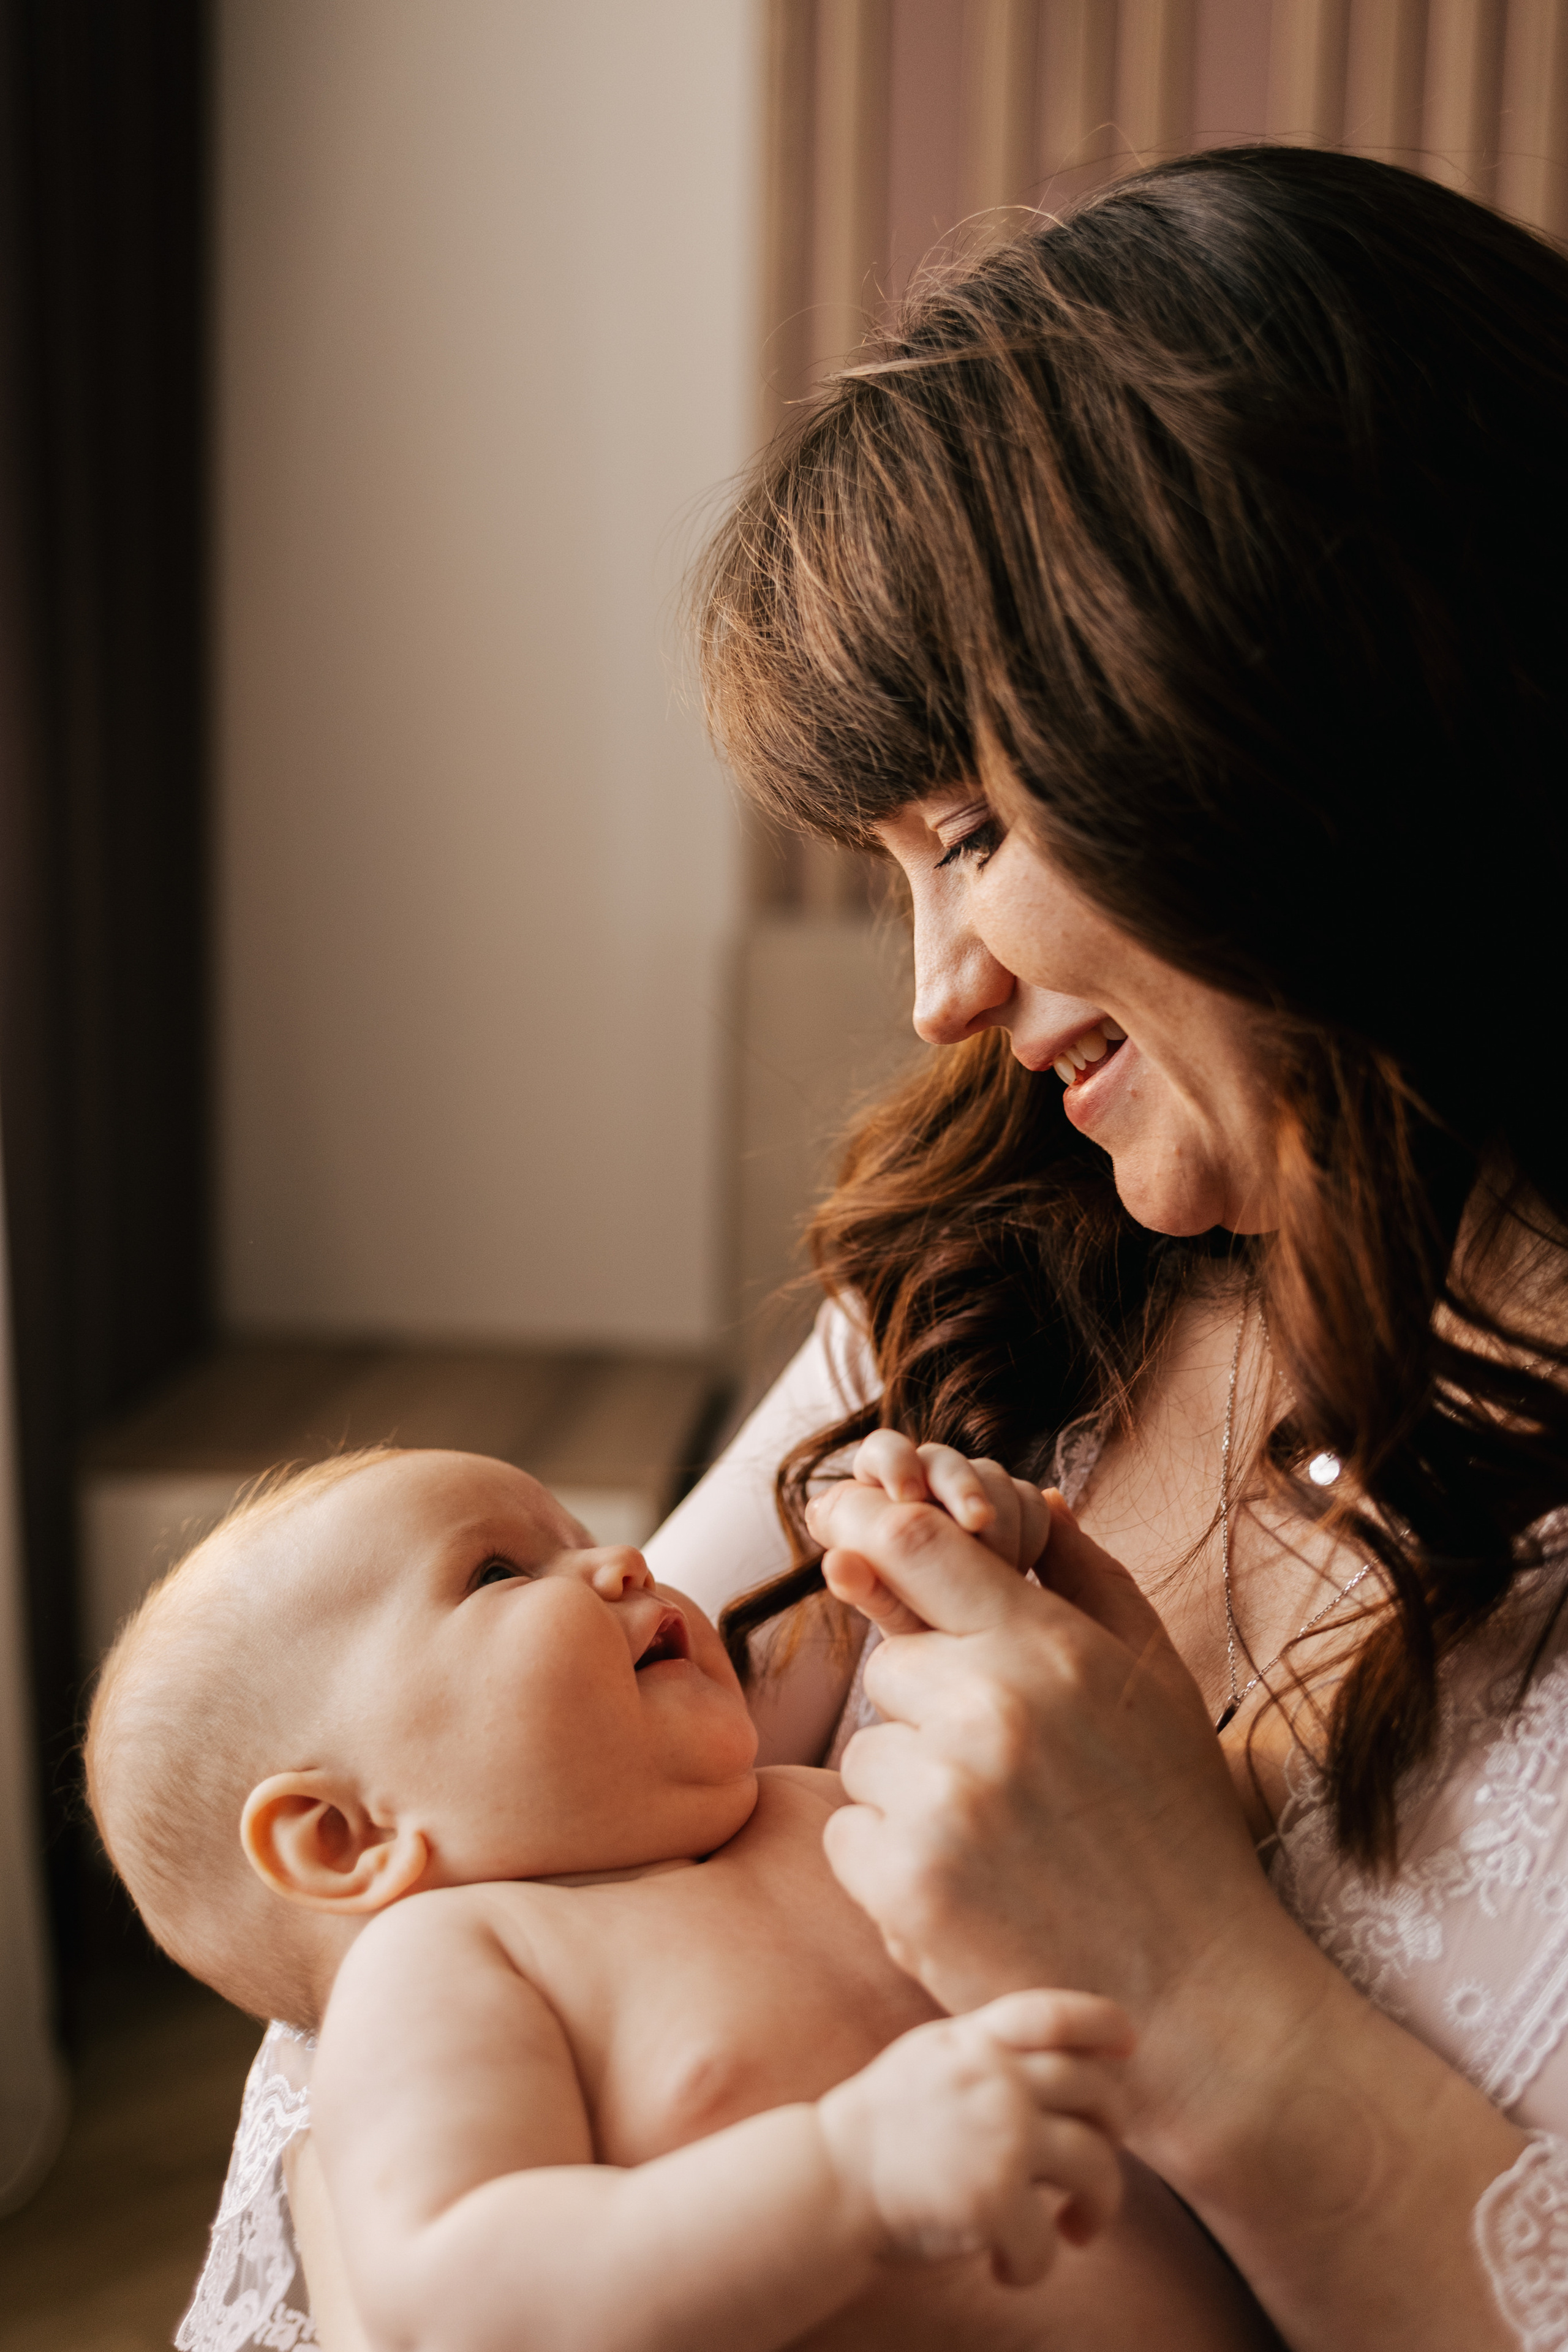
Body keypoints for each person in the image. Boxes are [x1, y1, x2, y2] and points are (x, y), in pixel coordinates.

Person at [192, 140, 1568, 2349]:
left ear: (1290, 734)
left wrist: (1204, 1986)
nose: (935, 992)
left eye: (972, 834)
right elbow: (453, 1931)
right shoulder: (989, 1282)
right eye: (890, 868)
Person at [86, 1444, 1275, 2352]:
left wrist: (980, 1586)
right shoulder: (456, 1963)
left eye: (575, 1533)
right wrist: (848, 2174)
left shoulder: (813, 1802)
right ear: (345, 1837)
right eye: (497, 1571)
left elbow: (1081, 1838)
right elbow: (465, 2299)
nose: (623, 1561)